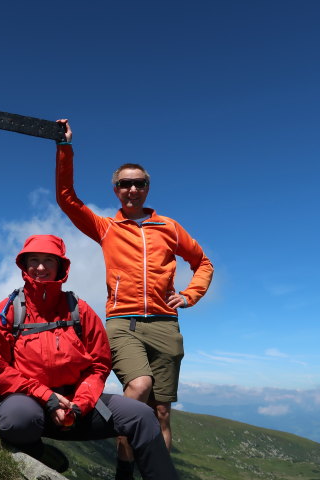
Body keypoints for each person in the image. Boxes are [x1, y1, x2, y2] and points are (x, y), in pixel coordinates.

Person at [55, 120, 213, 466]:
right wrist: (64, 148)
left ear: (147, 188)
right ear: (115, 190)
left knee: (161, 412)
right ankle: (124, 473)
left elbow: (203, 263)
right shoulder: (107, 228)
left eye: (138, 183)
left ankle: (157, 474)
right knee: (137, 390)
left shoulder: (168, 227)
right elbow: (67, 200)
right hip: (123, 322)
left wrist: (189, 295)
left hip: (165, 323)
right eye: (124, 184)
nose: (131, 189)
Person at [0, 234, 178, 479]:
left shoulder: (80, 309)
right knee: (16, 420)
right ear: (24, 265)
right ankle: (37, 452)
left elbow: (99, 364)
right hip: (31, 402)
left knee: (142, 416)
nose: (41, 267)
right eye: (34, 260)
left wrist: (79, 404)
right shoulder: (9, 311)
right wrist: (47, 397)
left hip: (79, 404)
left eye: (49, 261)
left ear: (60, 267)